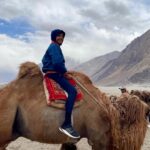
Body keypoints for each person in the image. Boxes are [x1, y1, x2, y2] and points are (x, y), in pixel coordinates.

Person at [42, 29, 80, 139]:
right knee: (72, 91)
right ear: (54, 37)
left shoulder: (54, 47)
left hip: (55, 73)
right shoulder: (54, 47)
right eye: (58, 36)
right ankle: (67, 124)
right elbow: (58, 63)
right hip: (54, 74)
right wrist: (64, 72)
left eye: (62, 36)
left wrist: (64, 71)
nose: (61, 38)